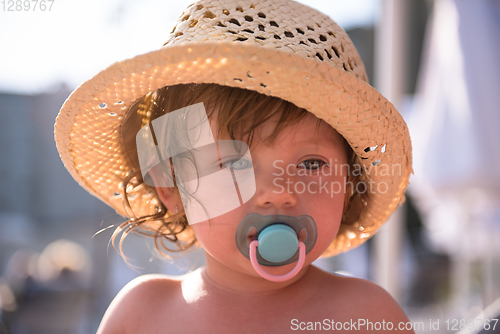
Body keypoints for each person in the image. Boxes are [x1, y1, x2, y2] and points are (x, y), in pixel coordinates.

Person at [54, 0, 414, 332]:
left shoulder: (366, 315)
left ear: (349, 184)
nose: (278, 192)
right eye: (229, 162)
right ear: (171, 188)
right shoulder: (142, 314)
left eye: (310, 163)